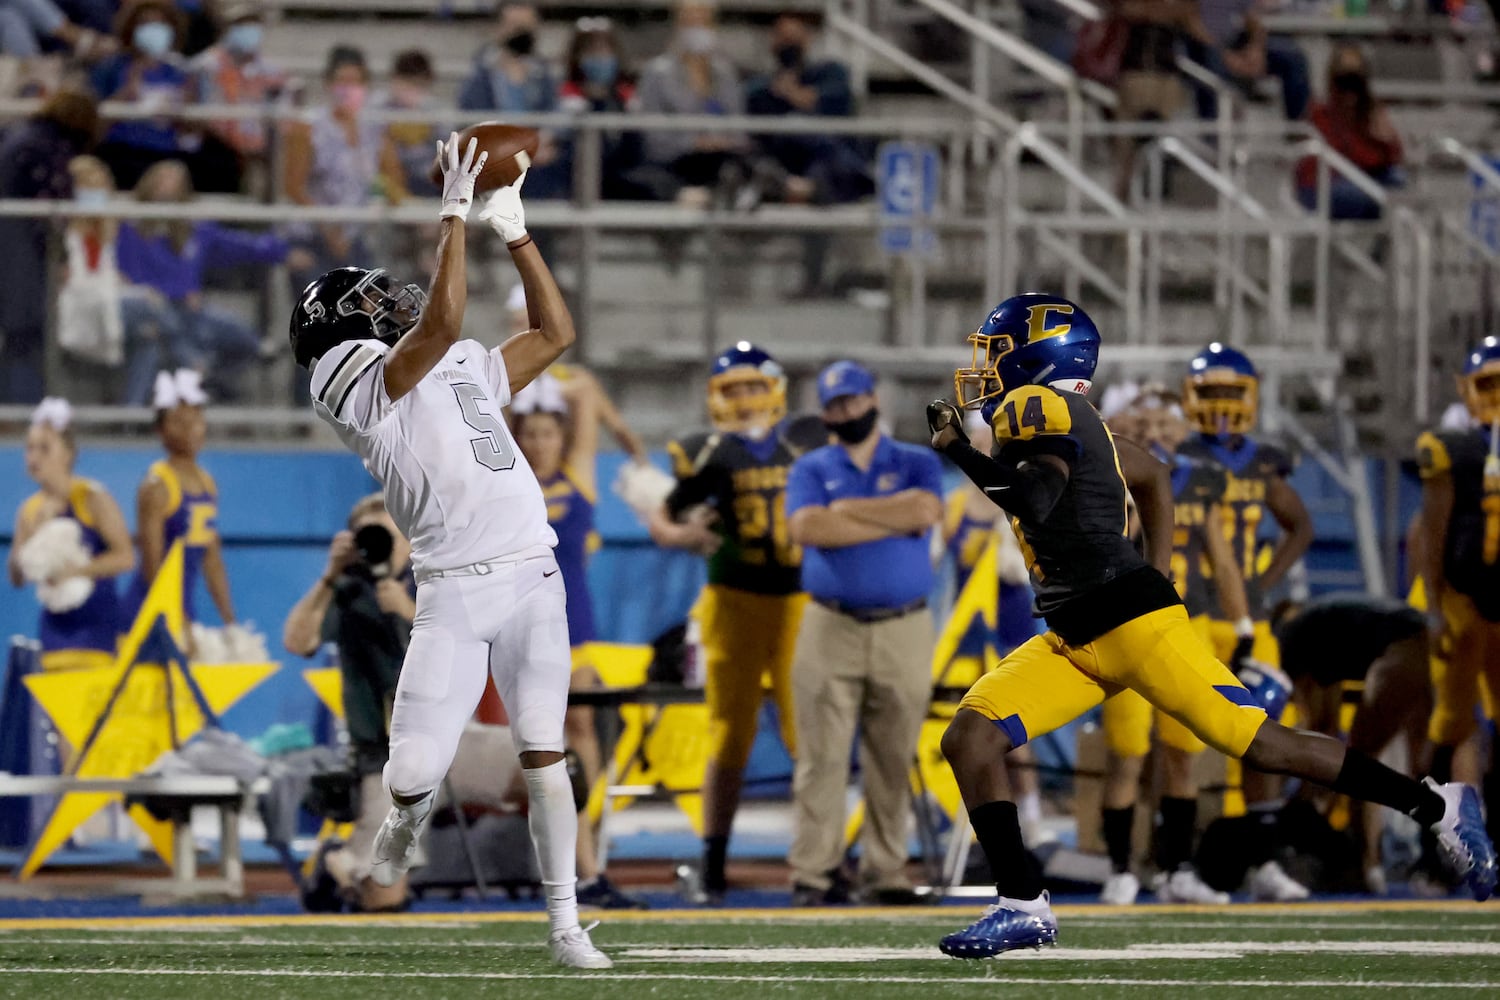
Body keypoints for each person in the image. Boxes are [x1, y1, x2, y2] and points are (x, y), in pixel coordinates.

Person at [925, 292, 1494, 958]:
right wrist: (1163, 570)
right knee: (971, 735)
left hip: (1129, 623)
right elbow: (1156, 475)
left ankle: (1442, 806)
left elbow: (1037, 499)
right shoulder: (1078, 417)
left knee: (1264, 746)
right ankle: (1023, 904)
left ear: (1039, 355)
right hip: (1077, 634)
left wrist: (959, 450)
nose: (985, 369)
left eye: (995, 353)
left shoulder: (1038, 406)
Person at [288, 131, 609, 968]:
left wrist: (514, 228)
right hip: (453, 591)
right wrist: (454, 217)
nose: (385, 302)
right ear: (337, 324)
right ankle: (396, 829)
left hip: (530, 572)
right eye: (370, 300)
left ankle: (567, 926)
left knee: (548, 754)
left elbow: (555, 333)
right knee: (411, 771)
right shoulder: (343, 378)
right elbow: (438, 324)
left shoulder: (455, 356)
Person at [646, 343, 827, 904]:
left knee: (809, 737)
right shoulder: (708, 451)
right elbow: (665, 514)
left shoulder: (809, 439)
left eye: (752, 387)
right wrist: (683, 534)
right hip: (734, 600)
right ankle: (714, 859)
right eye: (732, 390)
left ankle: (817, 864)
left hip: (799, 601)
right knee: (729, 736)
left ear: (775, 388)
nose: (744, 399)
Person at [782, 361, 942, 905]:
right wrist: (888, 518)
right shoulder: (811, 466)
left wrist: (847, 510)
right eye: (834, 405)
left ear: (872, 399)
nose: (845, 412)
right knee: (821, 758)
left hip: (905, 625)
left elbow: (926, 510)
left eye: (851, 401)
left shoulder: (915, 460)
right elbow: (806, 527)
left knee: (893, 756)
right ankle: (814, 872)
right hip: (830, 624)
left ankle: (886, 871)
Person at [1096, 387, 1256, 905]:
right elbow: (1113, 538)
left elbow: (1223, 560)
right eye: (1145, 425)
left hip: (1188, 625)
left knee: (1183, 755)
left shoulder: (1200, 481)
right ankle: (1120, 867)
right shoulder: (1107, 473)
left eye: (1165, 423)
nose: (1157, 433)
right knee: (1127, 755)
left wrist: (1244, 625)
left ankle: (1177, 867)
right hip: (1126, 624)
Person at [1177, 342, 1316, 900]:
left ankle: (1263, 860)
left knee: (1265, 731)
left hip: (1245, 614)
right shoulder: (1180, 454)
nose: (1222, 404)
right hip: (1189, 611)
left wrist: (1262, 581)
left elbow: (1299, 526)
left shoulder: (1263, 462)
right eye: (1210, 392)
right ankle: (1172, 864)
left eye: (1232, 392)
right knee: (1178, 737)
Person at [509, 363, 649, 910]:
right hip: (525, 623)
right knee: (543, 740)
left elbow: (587, 390)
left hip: (576, 627)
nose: (540, 443)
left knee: (582, 729)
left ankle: (588, 860)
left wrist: (546, 377)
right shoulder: (508, 479)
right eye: (531, 433)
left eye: (549, 433)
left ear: (563, 437)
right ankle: (573, 864)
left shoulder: (579, 479)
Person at [283, 494, 416, 913]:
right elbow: (297, 641)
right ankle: (337, 864)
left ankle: (582, 882)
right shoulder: (346, 589)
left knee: (557, 772)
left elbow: (479, 648)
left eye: (388, 531)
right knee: (384, 897)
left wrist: (410, 612)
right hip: (384, 756)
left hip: (453, 743)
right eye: (368, 533)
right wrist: (329, 576)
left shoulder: (438, 579)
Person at [1271, 593, 1432, 893]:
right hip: (1424, 640)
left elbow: (1317, 730)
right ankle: (1374, 864)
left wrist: (1302, 801)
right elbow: (1327, 727)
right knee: (1408, 764)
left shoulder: (1293, 643)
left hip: (1402, 647)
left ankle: (1368, 864)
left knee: (1362, 766)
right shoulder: (1322, 631)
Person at [116, 160, 311, 404]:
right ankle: (208, 365)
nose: (166, 189)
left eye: (173, 183)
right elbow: (128, 273)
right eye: (162, 180)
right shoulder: (130, 229)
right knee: (175, 329)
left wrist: (282, 253)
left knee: (218, 324)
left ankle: (226, 362)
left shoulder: (193, 230)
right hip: (151, 309)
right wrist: (176, 292)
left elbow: (239, 245)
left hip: (189, 312)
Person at [1415, 336, 1500, 839]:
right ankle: (1441, 841)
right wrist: (1433, 606)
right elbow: (1432, 531)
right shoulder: (1454, 447)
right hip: (1462, 598)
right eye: (1487, 383)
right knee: (1451, 722)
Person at [281, 43, 408, 364]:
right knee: (317, 327)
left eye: (356, 82)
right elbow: (294, 187)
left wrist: (385, 197)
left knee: (370, 325)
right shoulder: (307, 127)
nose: (348, 90)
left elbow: (393, 183)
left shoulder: (375, 130)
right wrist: (328, 230)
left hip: (353, 239)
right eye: (341, 81)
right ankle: (303, 406)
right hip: (312, 237)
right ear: (327, 84)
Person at [8, 398, 131, 672]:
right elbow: (17, 578)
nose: (34, 457)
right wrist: (31, 546)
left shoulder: (92, 497)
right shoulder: (30, 510)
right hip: (55, 632)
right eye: (29, 448)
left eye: (44, 448)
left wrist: (78, 571)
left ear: (67, 453)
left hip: (99, 629)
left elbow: (125, 557)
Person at [0, 87, 98, 403]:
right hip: (18, 251)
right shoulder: (48, 148)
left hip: (13, 246)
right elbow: (52, 212)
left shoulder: (17, 135)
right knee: (26, 333)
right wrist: (62, 258)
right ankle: (25, 412)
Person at [125, 368, 236, 629]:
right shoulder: (156, 486)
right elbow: (152, 565)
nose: (190, 429)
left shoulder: (207, 483)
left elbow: (211, 559)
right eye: (178, 421)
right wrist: (175, 619)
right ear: (160, 431)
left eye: (196, 419)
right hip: (151, 615)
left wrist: (230, 621)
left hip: (183, 613)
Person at [635, 1, 749, 206]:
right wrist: (692, 142)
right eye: (690, 21)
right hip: (674, 162)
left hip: (720, 159)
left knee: (746, 166)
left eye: (703, 21)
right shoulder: (657, 73)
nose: (697, 28)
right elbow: (653, 139)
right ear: (678, 26)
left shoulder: (725, 74)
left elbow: (739, 131)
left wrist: (721, 141)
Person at [458, 2, 567, 200]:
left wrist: (543, 141)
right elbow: (470, 119)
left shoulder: (542, 73)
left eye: (526, 28)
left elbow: (555, 113)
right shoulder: (480, 73)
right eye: (514, 27)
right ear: (499, 29)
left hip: (536, 161)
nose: (520, 34)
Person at [90, 0, 195, 190]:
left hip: (164, 155)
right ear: (132, 29)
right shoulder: (110, 68)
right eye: (145, 23)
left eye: (161, 24)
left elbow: (190, 132)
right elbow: (93, 123)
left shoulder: (180, 74)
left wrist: (187, 107)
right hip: (120, 153)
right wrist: (125, 94)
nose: (154, 30)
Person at [1294, 45, 1404, 221]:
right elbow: (1350, 157)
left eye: (1356, 80)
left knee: (1397, 180)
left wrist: (1387, 140)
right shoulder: (1321, 113)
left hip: (1357, 179)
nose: (1350, 89)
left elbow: (1393, 158)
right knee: (1369, 196)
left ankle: (1383, 245)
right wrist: (1377, 144)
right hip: (1320, 186)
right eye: (1344, 79)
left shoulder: (1369, 113)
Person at [188, 0, 286, 194]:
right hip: (218, 148)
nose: (249, 30)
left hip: (259, 149)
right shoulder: (206, 65)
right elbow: (205, 115)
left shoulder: (273, 71)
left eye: (254, 24)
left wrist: (258, 147)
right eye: (242, 24)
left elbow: (281, 114)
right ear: (227, 28)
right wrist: (241, 146)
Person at [1185, 0, 1309, 122]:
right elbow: (1189, 21)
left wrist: (1256, 49)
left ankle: (1296, 127)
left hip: (1235, 40)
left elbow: (1253, 19)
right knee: (1212, 61)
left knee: (1292, 56)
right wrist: (1224, 54)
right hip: (1201, 44)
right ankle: (1213, 133)